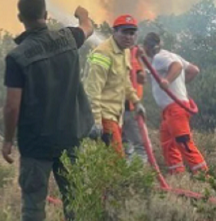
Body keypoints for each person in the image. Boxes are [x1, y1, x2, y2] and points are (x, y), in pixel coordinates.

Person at [2, 0, 95, 221]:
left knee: (33, 204)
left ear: (21, 18)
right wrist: (83, 14)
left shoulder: (17, 57)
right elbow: (88, 29)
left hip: (35, 144)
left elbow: (12, 107)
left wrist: (7, 140)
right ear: (46, 15)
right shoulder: (68, 38)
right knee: (75, 201)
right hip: (69, 138)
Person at [142, 32, 207, 176]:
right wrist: (179, 86)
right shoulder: (171, 55)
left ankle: (205, 179)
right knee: (168, 145)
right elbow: (194, 70)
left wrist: (168, 81)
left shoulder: (159, 58)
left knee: (184, 144)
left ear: (146, 47)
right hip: (170, 111)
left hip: (175, 109)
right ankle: (177, 176)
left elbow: (177, 67)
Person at [83, 14, 145, 156]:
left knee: (109, 162)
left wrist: (136, 102)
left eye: (132, 33)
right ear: (114, 32)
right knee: (116, 163)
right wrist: (97, 121)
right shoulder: (103, 54)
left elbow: (125, 82)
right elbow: (93, 90)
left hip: (117, 116)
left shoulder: (125, 52)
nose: (129, 37)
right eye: (124, 32)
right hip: (104, 116)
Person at [121, 44, 148, 162]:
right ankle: (135, 177)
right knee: (140, 147)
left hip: (119, 107)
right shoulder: (131, 58)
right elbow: (141, 78)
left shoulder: (119, 56)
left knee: (125, 145)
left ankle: (123, 174)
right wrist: (139, 59)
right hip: (130, 107)